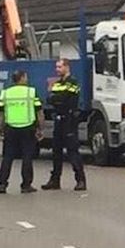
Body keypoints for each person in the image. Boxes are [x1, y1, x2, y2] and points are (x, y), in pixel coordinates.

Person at [42, 59, 87, 192]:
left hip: (69, 119)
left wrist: (58, 99)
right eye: (56, 67)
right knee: (56, 151)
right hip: (59, 119)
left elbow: (67, 99)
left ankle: (80, 180)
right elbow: (50, 99)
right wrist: (58, 99)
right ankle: (55, 180)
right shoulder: (57, 83)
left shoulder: (73, 82)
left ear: (67, 67)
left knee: (72, 151)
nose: (57, 69)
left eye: (60, 67)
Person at [0, 70, 42, 194]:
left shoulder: (5, 93)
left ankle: (2, 184)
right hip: (27, 127)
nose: (27, 79)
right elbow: (39, 111)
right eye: (25, 77)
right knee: (27, 156)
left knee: (8, 157)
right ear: (22, 78)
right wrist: (40, 128)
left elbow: (0, 112)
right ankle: (26, 185)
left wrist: (0, 127)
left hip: (11, 128)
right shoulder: (31, 92)